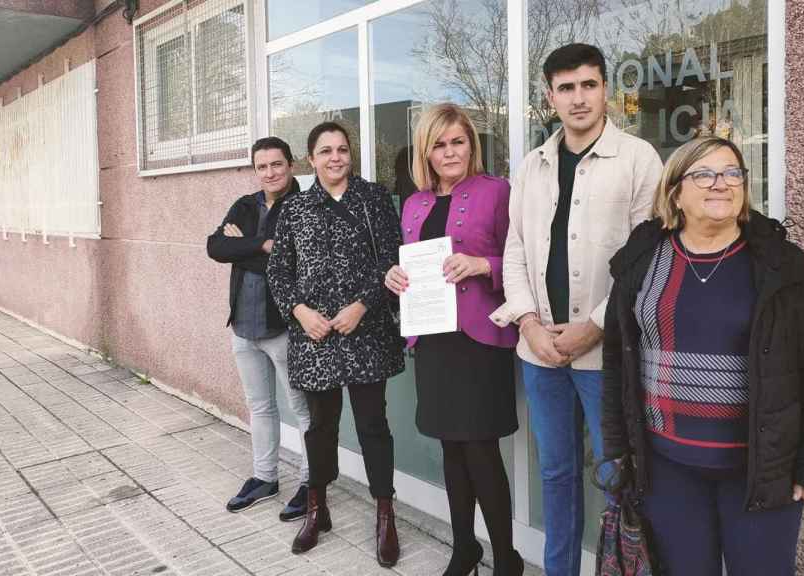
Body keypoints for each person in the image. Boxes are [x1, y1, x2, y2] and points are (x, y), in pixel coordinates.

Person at [601, 136, 804, 575]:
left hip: (758, 470)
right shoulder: (644, 259)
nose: (721, 183)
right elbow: (618, 362)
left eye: (733, 173)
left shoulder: (779, 263)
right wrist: (618, 448)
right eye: (704, 174)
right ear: (675, 192)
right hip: (667, 471)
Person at [490, 43, 662, 575]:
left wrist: (595, 326)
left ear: (606, 89)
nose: (579, 98)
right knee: (556, 474)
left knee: (618, 479)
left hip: (605, 354)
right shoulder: (533, 166)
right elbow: (515, 249)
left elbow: (649, 258)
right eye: (566, 88)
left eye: (589, 84)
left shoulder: (638, 159)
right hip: (541, 353)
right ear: (550, 96)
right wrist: (527, 323)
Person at [385, 104, 523, 576]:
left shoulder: (497, 191)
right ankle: (465, 548)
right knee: (450, 448)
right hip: (433, 339)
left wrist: (484, 265)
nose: (449, 152)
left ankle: (507, 558)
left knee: (481, 451)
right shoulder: (414, 203)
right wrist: (394, 276)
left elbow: (523, 259)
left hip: (479, 340)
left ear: (471, 145)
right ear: (426, 152)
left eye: (457, 142)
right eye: (439, 145)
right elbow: (409, 262)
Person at [266, 121, 404, 566]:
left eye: (342, 149)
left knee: (373, 426)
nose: (335, 157)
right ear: (311, 159)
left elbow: (393, 260)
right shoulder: (295, 208)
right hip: (316, 336)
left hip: (366, 333)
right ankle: (316, 506)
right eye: (325, 151)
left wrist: (363, 305)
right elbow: (278, 270)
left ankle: (385, 514)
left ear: (351, 154)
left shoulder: (373, 199)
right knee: (320, 427)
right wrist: (300, 312)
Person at [206, 136, 313, 522]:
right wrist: (263, 245)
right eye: (262, 166)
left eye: (276, 164)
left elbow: (293, 265)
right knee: (260, 406)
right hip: (243, 328)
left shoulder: (303, 207)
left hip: (283, 328)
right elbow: (215, 247)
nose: (269, 172)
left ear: (291, 165)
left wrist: (244, 248)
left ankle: (312, 483)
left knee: (303, 409)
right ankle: (265, 477)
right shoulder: (245, 205)